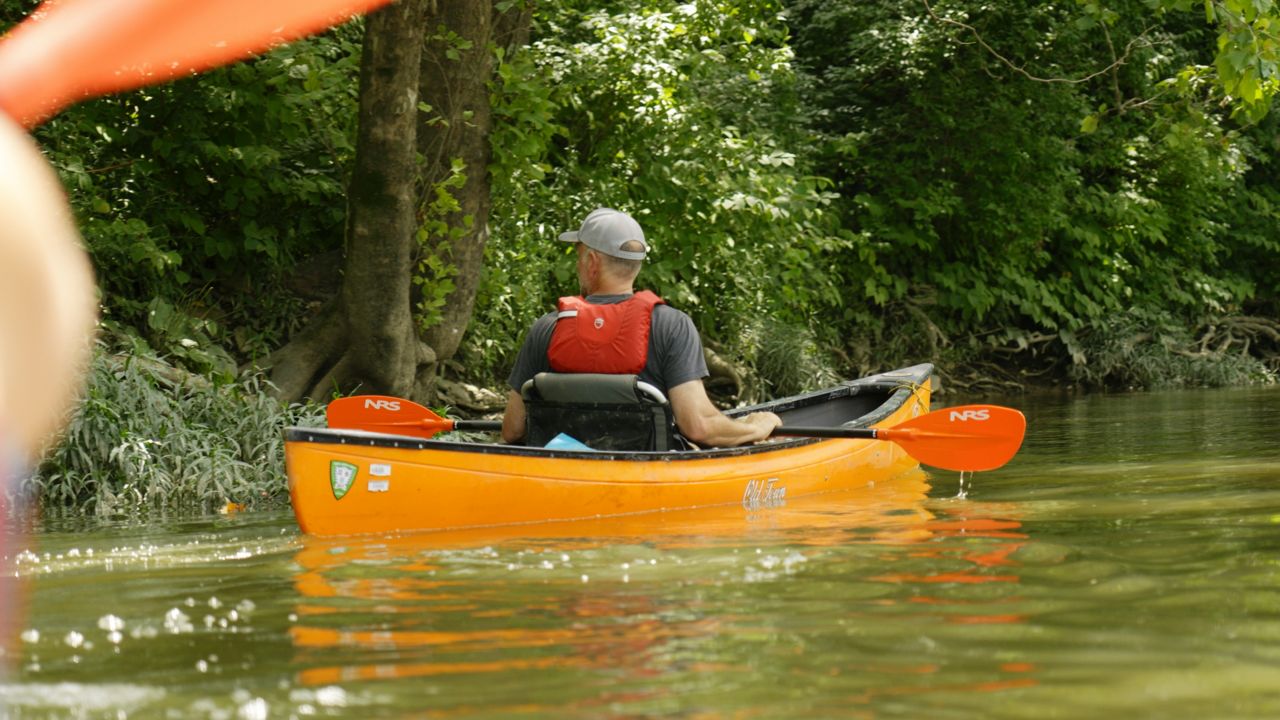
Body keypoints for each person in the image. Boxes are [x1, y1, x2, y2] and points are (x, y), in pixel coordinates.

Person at [501, 208, 782, 448]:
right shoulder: (672, 325)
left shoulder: (548, 328)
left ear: (592, 262)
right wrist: (755, 427)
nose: (578, 264)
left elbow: (512, 429)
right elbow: (699, 426)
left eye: (579, 256)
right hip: (644, 476)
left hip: (564, 473)